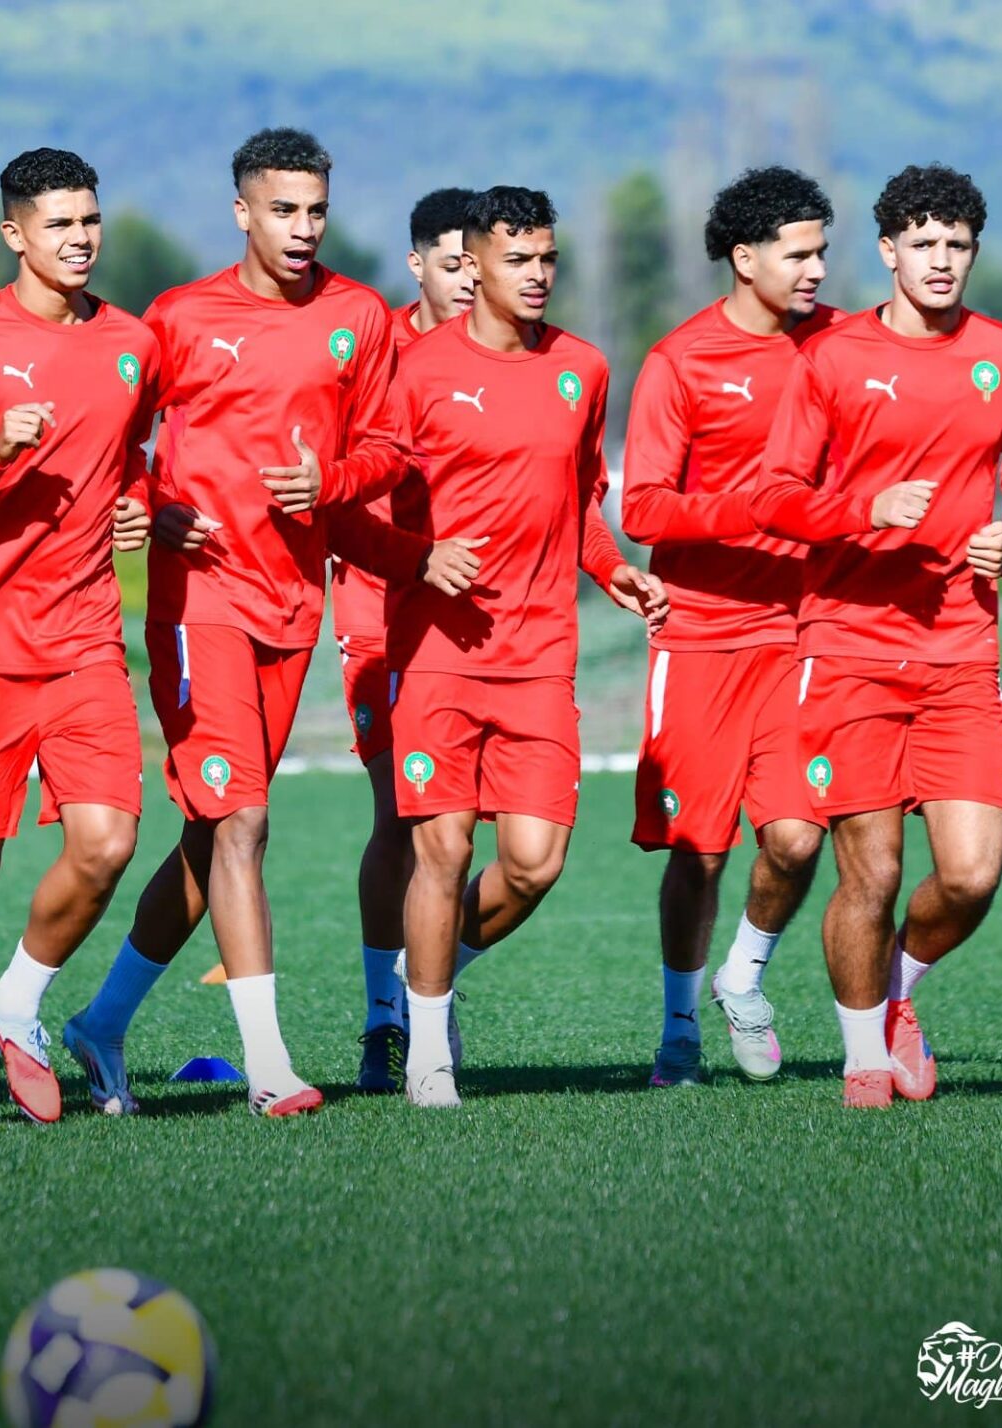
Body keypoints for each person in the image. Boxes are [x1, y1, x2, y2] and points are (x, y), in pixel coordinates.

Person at [62, 127, 409, 1118]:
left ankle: (99, 1024)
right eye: (283, 210)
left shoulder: (359, 316)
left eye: (316, 212)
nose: (302, 229)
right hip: (197, 601)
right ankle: (269, 1068)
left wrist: (334, 481)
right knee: (242, 821)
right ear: (242, 213)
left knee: (213, 835)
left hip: (295, 602)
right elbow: (112, 437)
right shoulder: (175, 318)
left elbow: (389, 445)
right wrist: (152, 504)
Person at [751, 163, 1002, 1108]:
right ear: (888, 252)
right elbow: (776, 497)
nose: (942, 260)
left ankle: (898, 993)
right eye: (923, 243)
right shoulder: (829, 359)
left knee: (970, 877)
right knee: (870, 875)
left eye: (958, 244)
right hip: (850, 650)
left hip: (961, 652)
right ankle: (862, 1056)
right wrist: (864, 508)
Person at [0, 146, 157, 1133]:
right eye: (58, 225)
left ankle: (14, 1000)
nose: (80, 239)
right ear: (14, 235)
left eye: (89, 222)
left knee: (107, 843)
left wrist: (135, 502)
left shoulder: (133, 342)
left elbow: (128, 457)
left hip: (87, 638)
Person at [393, 185, 666, 1108]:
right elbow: (364, 502)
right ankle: (426, 1045)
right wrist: (418, 557)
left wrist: (613, 567)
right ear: (471, 266)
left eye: (548, 259)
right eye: (519, 260)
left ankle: (429, 971)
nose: (539, 275)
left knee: (536, 861)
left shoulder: (582, 368)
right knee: (442, 852)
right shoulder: (416, 368)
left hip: (542, 655)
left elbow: (583, 497)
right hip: (435, 653)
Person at [621, 167, 837, 1087]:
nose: (818, 269)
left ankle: (742, 979)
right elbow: (643, 507)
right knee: (700, 851)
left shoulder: (839, 347)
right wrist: (754, 509)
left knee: (795, 837)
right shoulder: (681, 361)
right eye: (800, 253)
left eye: (824, 250)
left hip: (808, 634)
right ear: (746, 260)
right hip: (704, 636)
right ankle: (678, 1024)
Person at [339, 186, 476, 1093]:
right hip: (380, 615)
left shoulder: (519, 353)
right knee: (407, 817)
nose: (472, 280)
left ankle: (429, 978)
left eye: (484, 262)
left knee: (498, 839)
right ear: (418, 264)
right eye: (455, 263)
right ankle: (387, 1017)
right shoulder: (377, 349)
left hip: (484, 620)